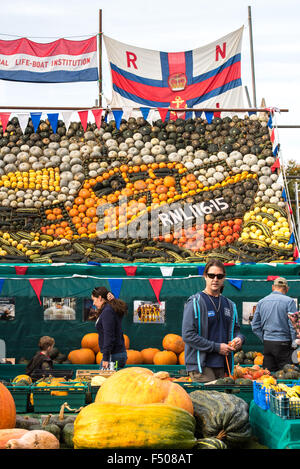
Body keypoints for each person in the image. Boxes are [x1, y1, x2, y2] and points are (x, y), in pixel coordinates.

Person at [182, 259, 245, 383]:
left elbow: (237, 330)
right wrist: (216, 347)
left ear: (223, 278)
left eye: (219, 276)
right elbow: (188, 335)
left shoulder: (230, 305)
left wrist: (239, 339)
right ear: (205, 276)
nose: (215, 279)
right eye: (211, 275)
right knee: (211, 400)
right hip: (202, 367)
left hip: (224, 366)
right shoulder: (195, 302)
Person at [251, 277, 298, 371]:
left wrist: (265, 338)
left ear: (273, 287)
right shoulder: (289, 302)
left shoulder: (261, 302)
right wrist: (294, 343)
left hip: (268, 344)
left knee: (268, 376)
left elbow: (255, 326)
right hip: (284, 344)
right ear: (287, 289)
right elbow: (293, 325)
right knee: (286, 376)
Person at [91, 286, 128, 370]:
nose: (93, 304)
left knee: (104, 382)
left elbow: (109, 335)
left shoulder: (108, 311)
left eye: (94, 300)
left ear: (100, 298)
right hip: (117, 354)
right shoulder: (110, 309)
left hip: (113, 356)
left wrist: (106, 358)